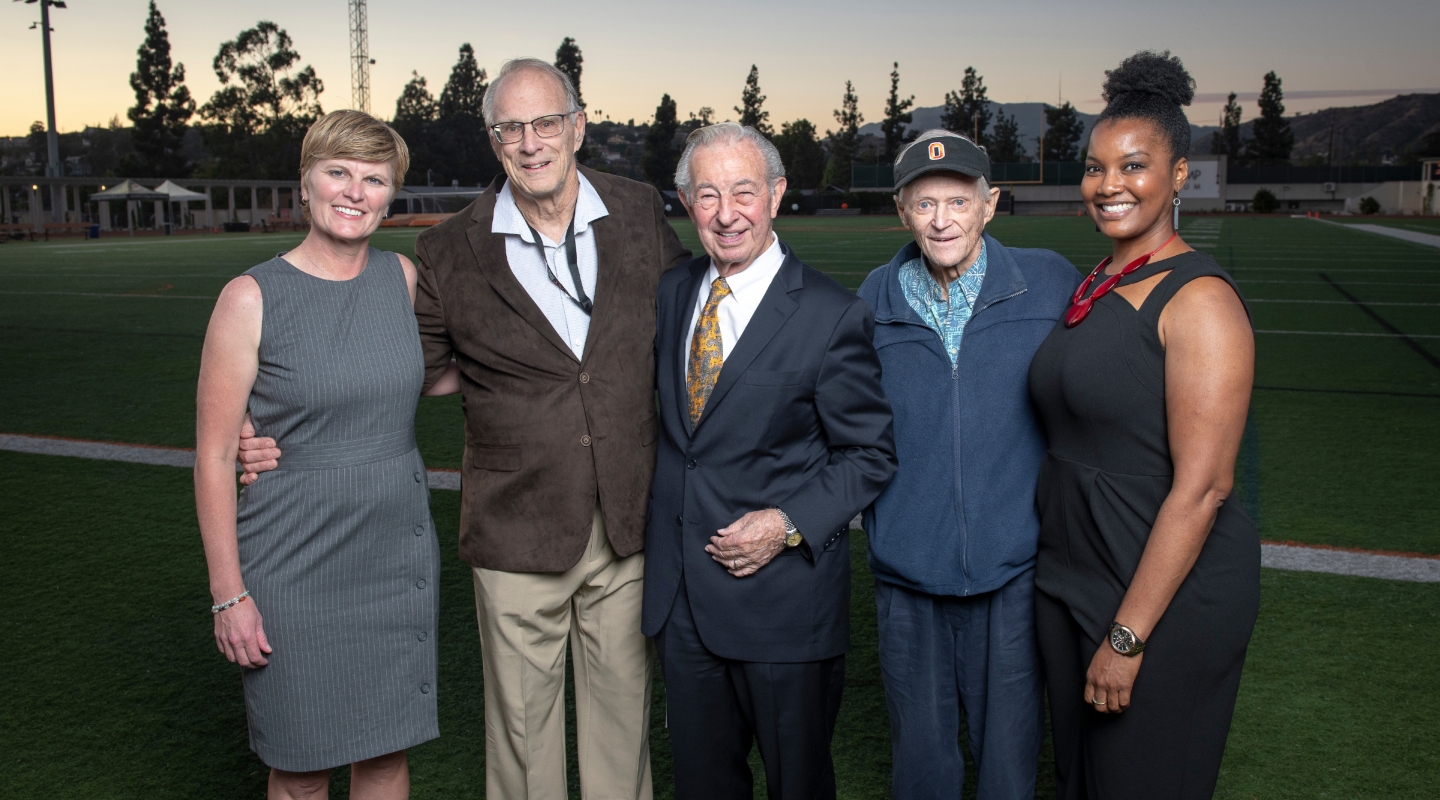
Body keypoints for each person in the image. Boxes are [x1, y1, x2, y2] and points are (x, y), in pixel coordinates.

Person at [241, 58, 689, 800]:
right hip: (514, 526)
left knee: (622, 725)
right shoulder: (449, 249)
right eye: (512, 127)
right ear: (493, 140)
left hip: (627, 519)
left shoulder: (638, 209)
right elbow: (390, 364)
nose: (531, 141)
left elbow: (681, 323)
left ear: (577, 126)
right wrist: (254, 423)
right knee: (520, 739)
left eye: (547, 121)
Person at [196, 110, 460, 799]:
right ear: (306, 185)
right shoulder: (250, 297)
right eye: (337, 172)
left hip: (393, 555)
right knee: (303, 767)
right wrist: (230, 596)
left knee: (384, 755)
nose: (354, 191)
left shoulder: (402, 279)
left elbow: (452, 373)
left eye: (374, 179)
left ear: (390, 196)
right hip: (293, 563)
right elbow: (218, 454)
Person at [1027, 51, 1260, 799]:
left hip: (1159, 599)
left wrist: (1128, 639)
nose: (1109, 185)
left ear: (1180, 175)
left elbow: (1204, 488)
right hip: (1074, 576)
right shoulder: (1098, 277)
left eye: (1134, 166)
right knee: (1079, 782)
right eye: (1096, 169)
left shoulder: (1200, 301)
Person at [643, 122, 897, 799]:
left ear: (777, 194)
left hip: (783, 607)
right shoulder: (674, 294)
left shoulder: (830, 314)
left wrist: (785, 522)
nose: (727, 214)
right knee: (702, 785)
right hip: (684, 604)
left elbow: (870, 452)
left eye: (744, 192)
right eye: (707, 195)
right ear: (686, 202)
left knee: (798, 786)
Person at [856, 130, 1081, 800]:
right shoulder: (872, 298)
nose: (942, 219)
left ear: (991, 204)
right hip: (907, 580)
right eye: (925, 204)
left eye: (959, 200)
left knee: (1008, 769)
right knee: (922, 769)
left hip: (1011, 578)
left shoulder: (1048, 282)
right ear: (902, 211)